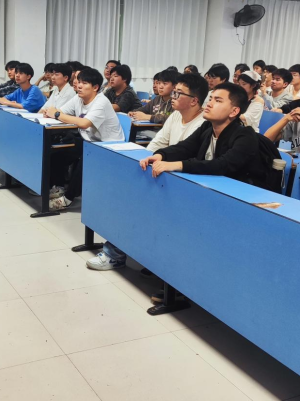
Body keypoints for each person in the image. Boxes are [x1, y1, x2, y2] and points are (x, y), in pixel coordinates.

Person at [86, 73, 208, 271]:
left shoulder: (203, 124)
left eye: (178, 93)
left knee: (135, 202)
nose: (173, 97)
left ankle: (125, 255)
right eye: (174, 92)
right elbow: (159, 142)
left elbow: (191, 158)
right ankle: (118, 253)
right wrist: (143, 159)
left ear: (194, 100)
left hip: (181, 181)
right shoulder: (176, 116)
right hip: (162, 172)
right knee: (126, 192)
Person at [140, 82, 265, 185]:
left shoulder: (245, 136)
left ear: (234, 111)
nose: (209, 104)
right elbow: (185, 147)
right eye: (210, 99)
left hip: (240, 194)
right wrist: (161, 155)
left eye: (218, 101)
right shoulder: (207, 127)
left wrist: (176, 165)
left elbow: (222, 165)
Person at [44, 67, 124, 210]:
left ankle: (68, 199)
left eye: (84, 83)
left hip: (109, 146)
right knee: (58, 152)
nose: (79, 85)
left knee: (85, 160)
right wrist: (52, 113)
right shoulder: (78, 98)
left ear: (95, 87)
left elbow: (84, 123)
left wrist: (56, 114)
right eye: (79, 81)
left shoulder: (101, 102)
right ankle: (59, 187)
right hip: (89, 141)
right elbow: (61, 112)